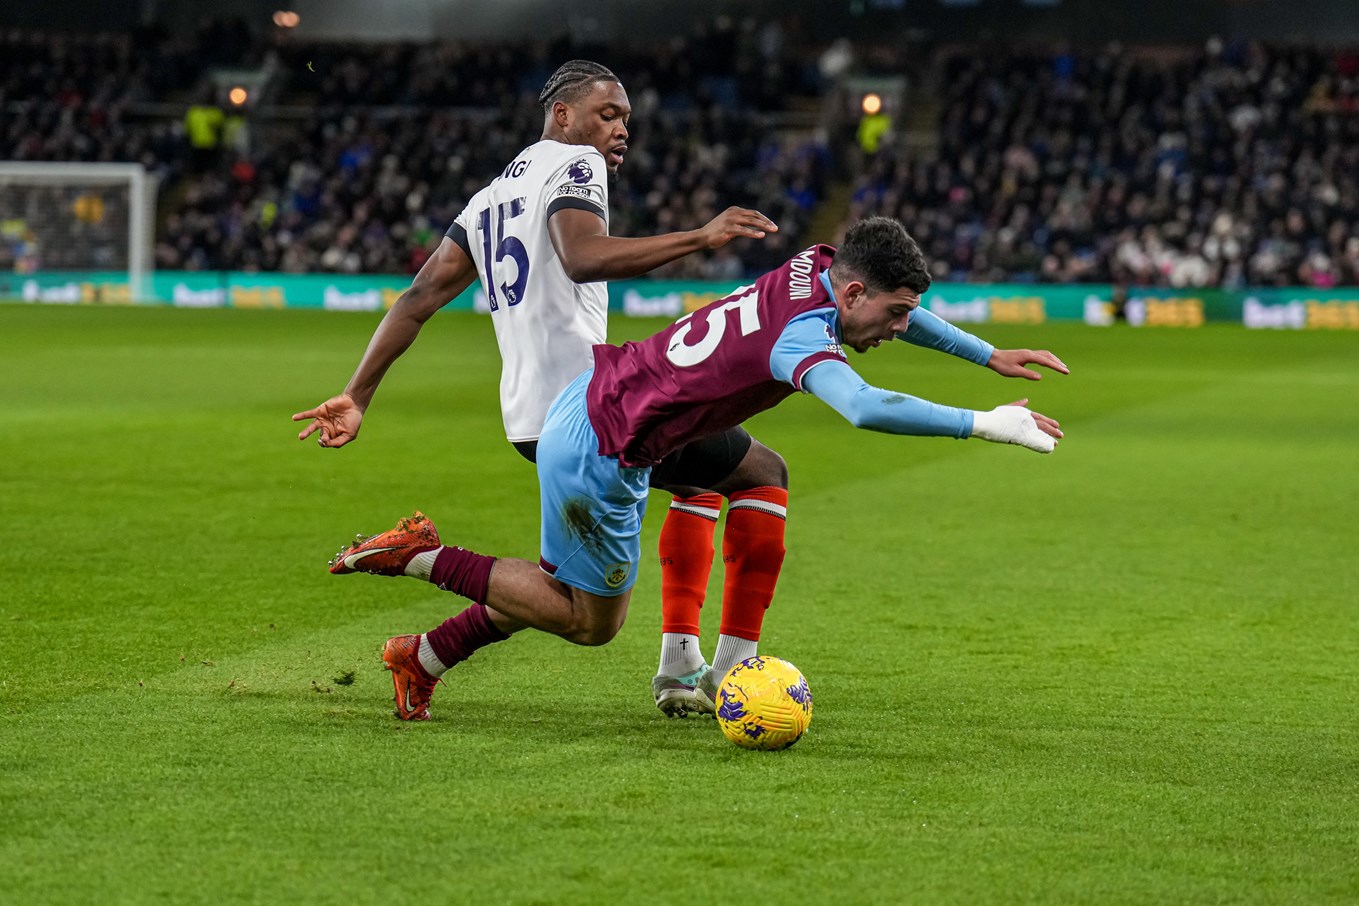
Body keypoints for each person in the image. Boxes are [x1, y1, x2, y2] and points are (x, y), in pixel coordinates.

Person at [326, 216, 1069, 721]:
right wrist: (987, 423)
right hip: (607, 446)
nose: (900, 328)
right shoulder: (802, 339)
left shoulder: (814, 266)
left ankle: (429, 658)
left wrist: (984, 355)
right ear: (851, 294)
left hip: (604, 401)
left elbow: (901, 312)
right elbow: (866, 407)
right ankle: (420, 555)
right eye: (894, 314)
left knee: (758, 473)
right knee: (583, 620)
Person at [291, 60, 788, 717]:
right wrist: (699, 235)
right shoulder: (576, 167)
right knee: (755, 478)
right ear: (563, 115)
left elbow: (417, 296)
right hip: (595, 414)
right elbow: (582, 255)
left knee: (568, 580)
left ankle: (426, 656)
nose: (619, 130)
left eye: (626, 120)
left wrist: (358, 393)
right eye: (607, 114)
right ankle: (726, 677)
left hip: (531, 420)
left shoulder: (490, 197)